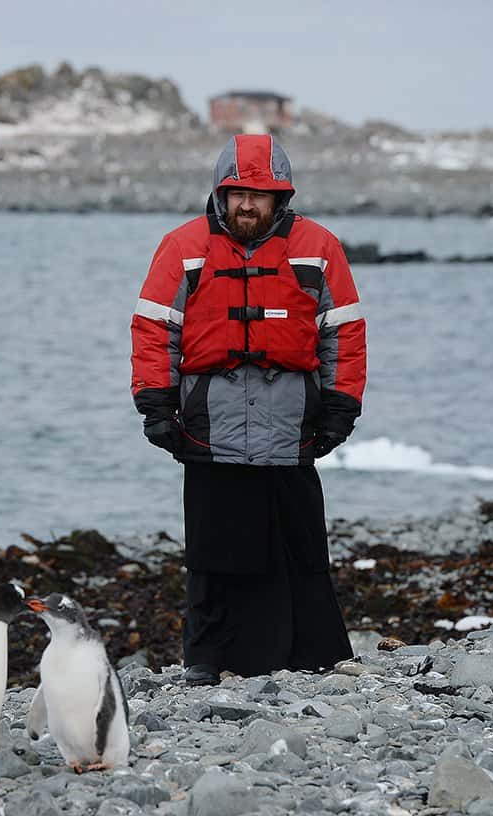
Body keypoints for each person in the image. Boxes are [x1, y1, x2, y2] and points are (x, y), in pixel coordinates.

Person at [130, 134, 367, 685]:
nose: (247, 205)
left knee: (301, 544)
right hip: (211, 424)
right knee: (211, 551)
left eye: (260, 195)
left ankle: (315, 655)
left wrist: (342, 406)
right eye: (237, 193)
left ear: (280, 197)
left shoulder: (319, 246)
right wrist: (155, 404)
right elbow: (153, 328)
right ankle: (207, 659)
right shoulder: (181, 246)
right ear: (220, 192)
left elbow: (344, 334)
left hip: (292, 426)